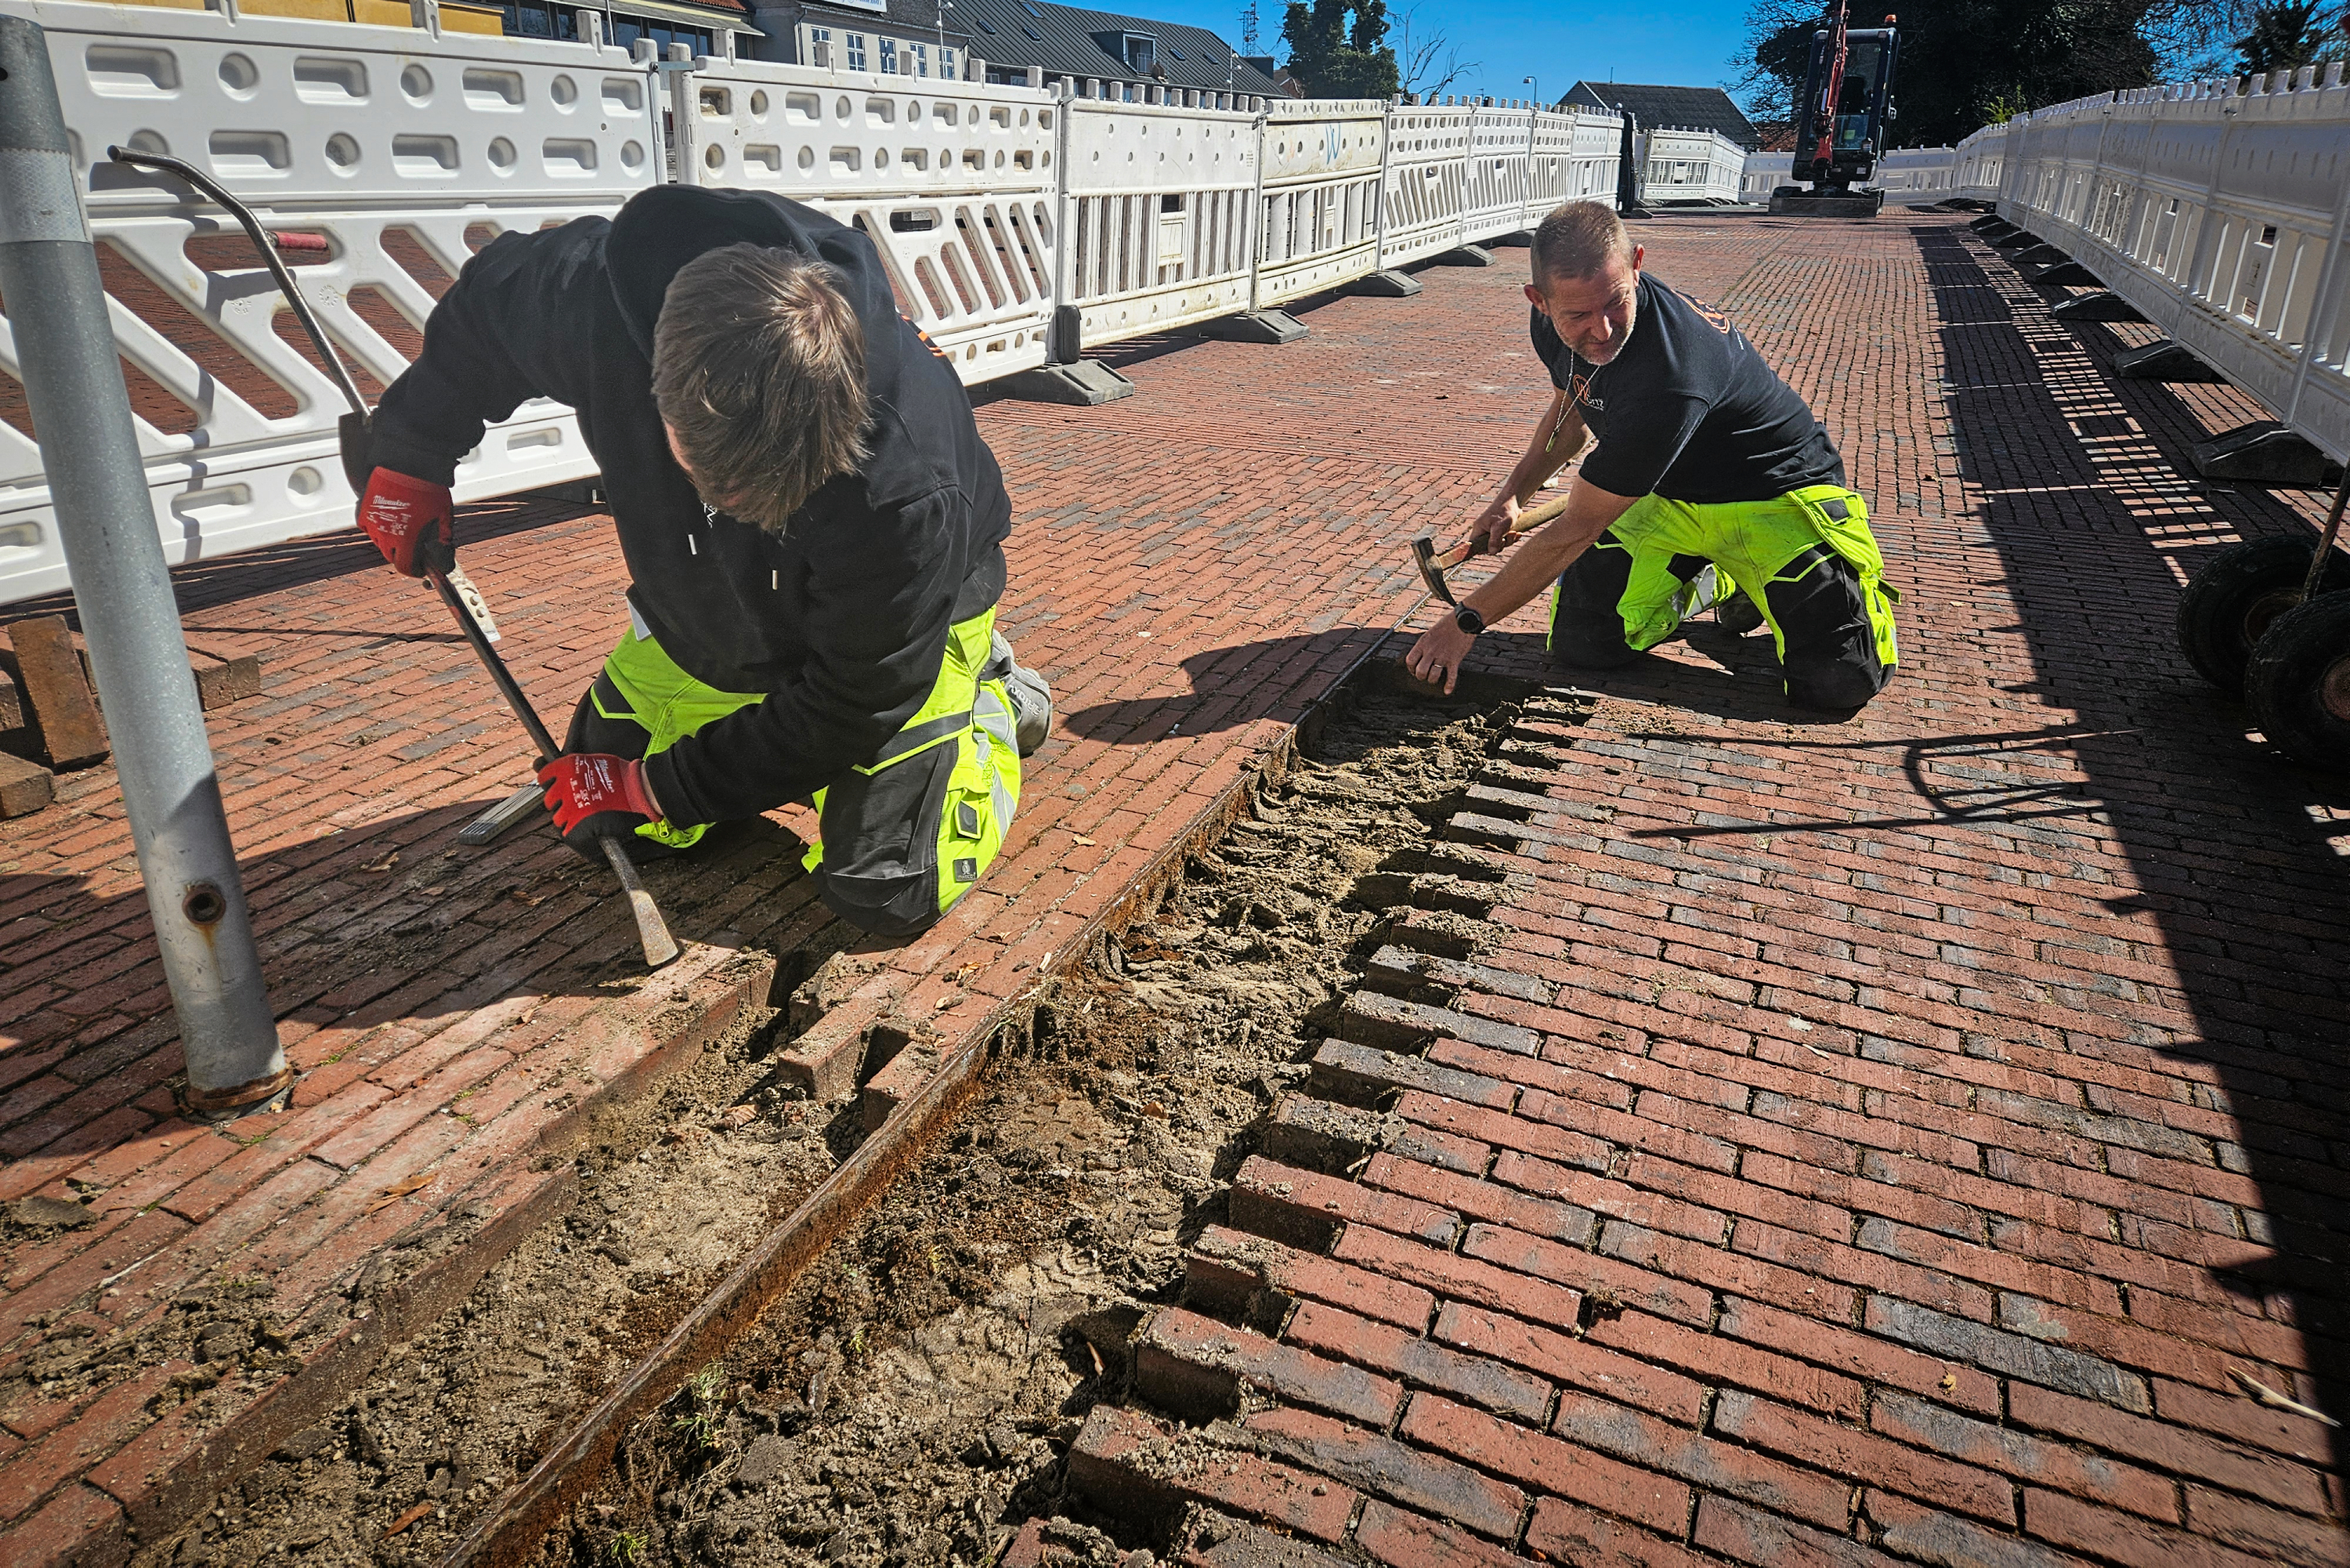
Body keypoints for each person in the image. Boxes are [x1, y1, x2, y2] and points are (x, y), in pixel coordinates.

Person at [346, 186, 1050, 938]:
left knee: (890, 885)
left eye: (782, 490)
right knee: (604, 827)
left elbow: (855, 696)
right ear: (662, 392)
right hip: (704, 596)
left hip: (904, 620)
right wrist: (412, 452)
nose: (751, 511)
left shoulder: (904, 487)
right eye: (726, 484)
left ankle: (989, 699)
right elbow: (488, 307)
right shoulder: (586, 302)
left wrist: (659, 786)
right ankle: (783, 745)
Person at [1405, 200, 1898, 710]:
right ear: (1540, 300)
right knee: (1585, 645)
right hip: (1666, 495)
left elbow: (1577, 528)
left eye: (1615, 302)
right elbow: (1570, 416)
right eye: (1578, 314)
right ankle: (1717, 579)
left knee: (1837, 684)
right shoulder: (1550, 326)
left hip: (1773, 499)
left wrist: (1467, 620)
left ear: (1637, 263)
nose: (1602, 330)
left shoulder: (1672, 377)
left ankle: (1762, 578)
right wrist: (1513, 496)